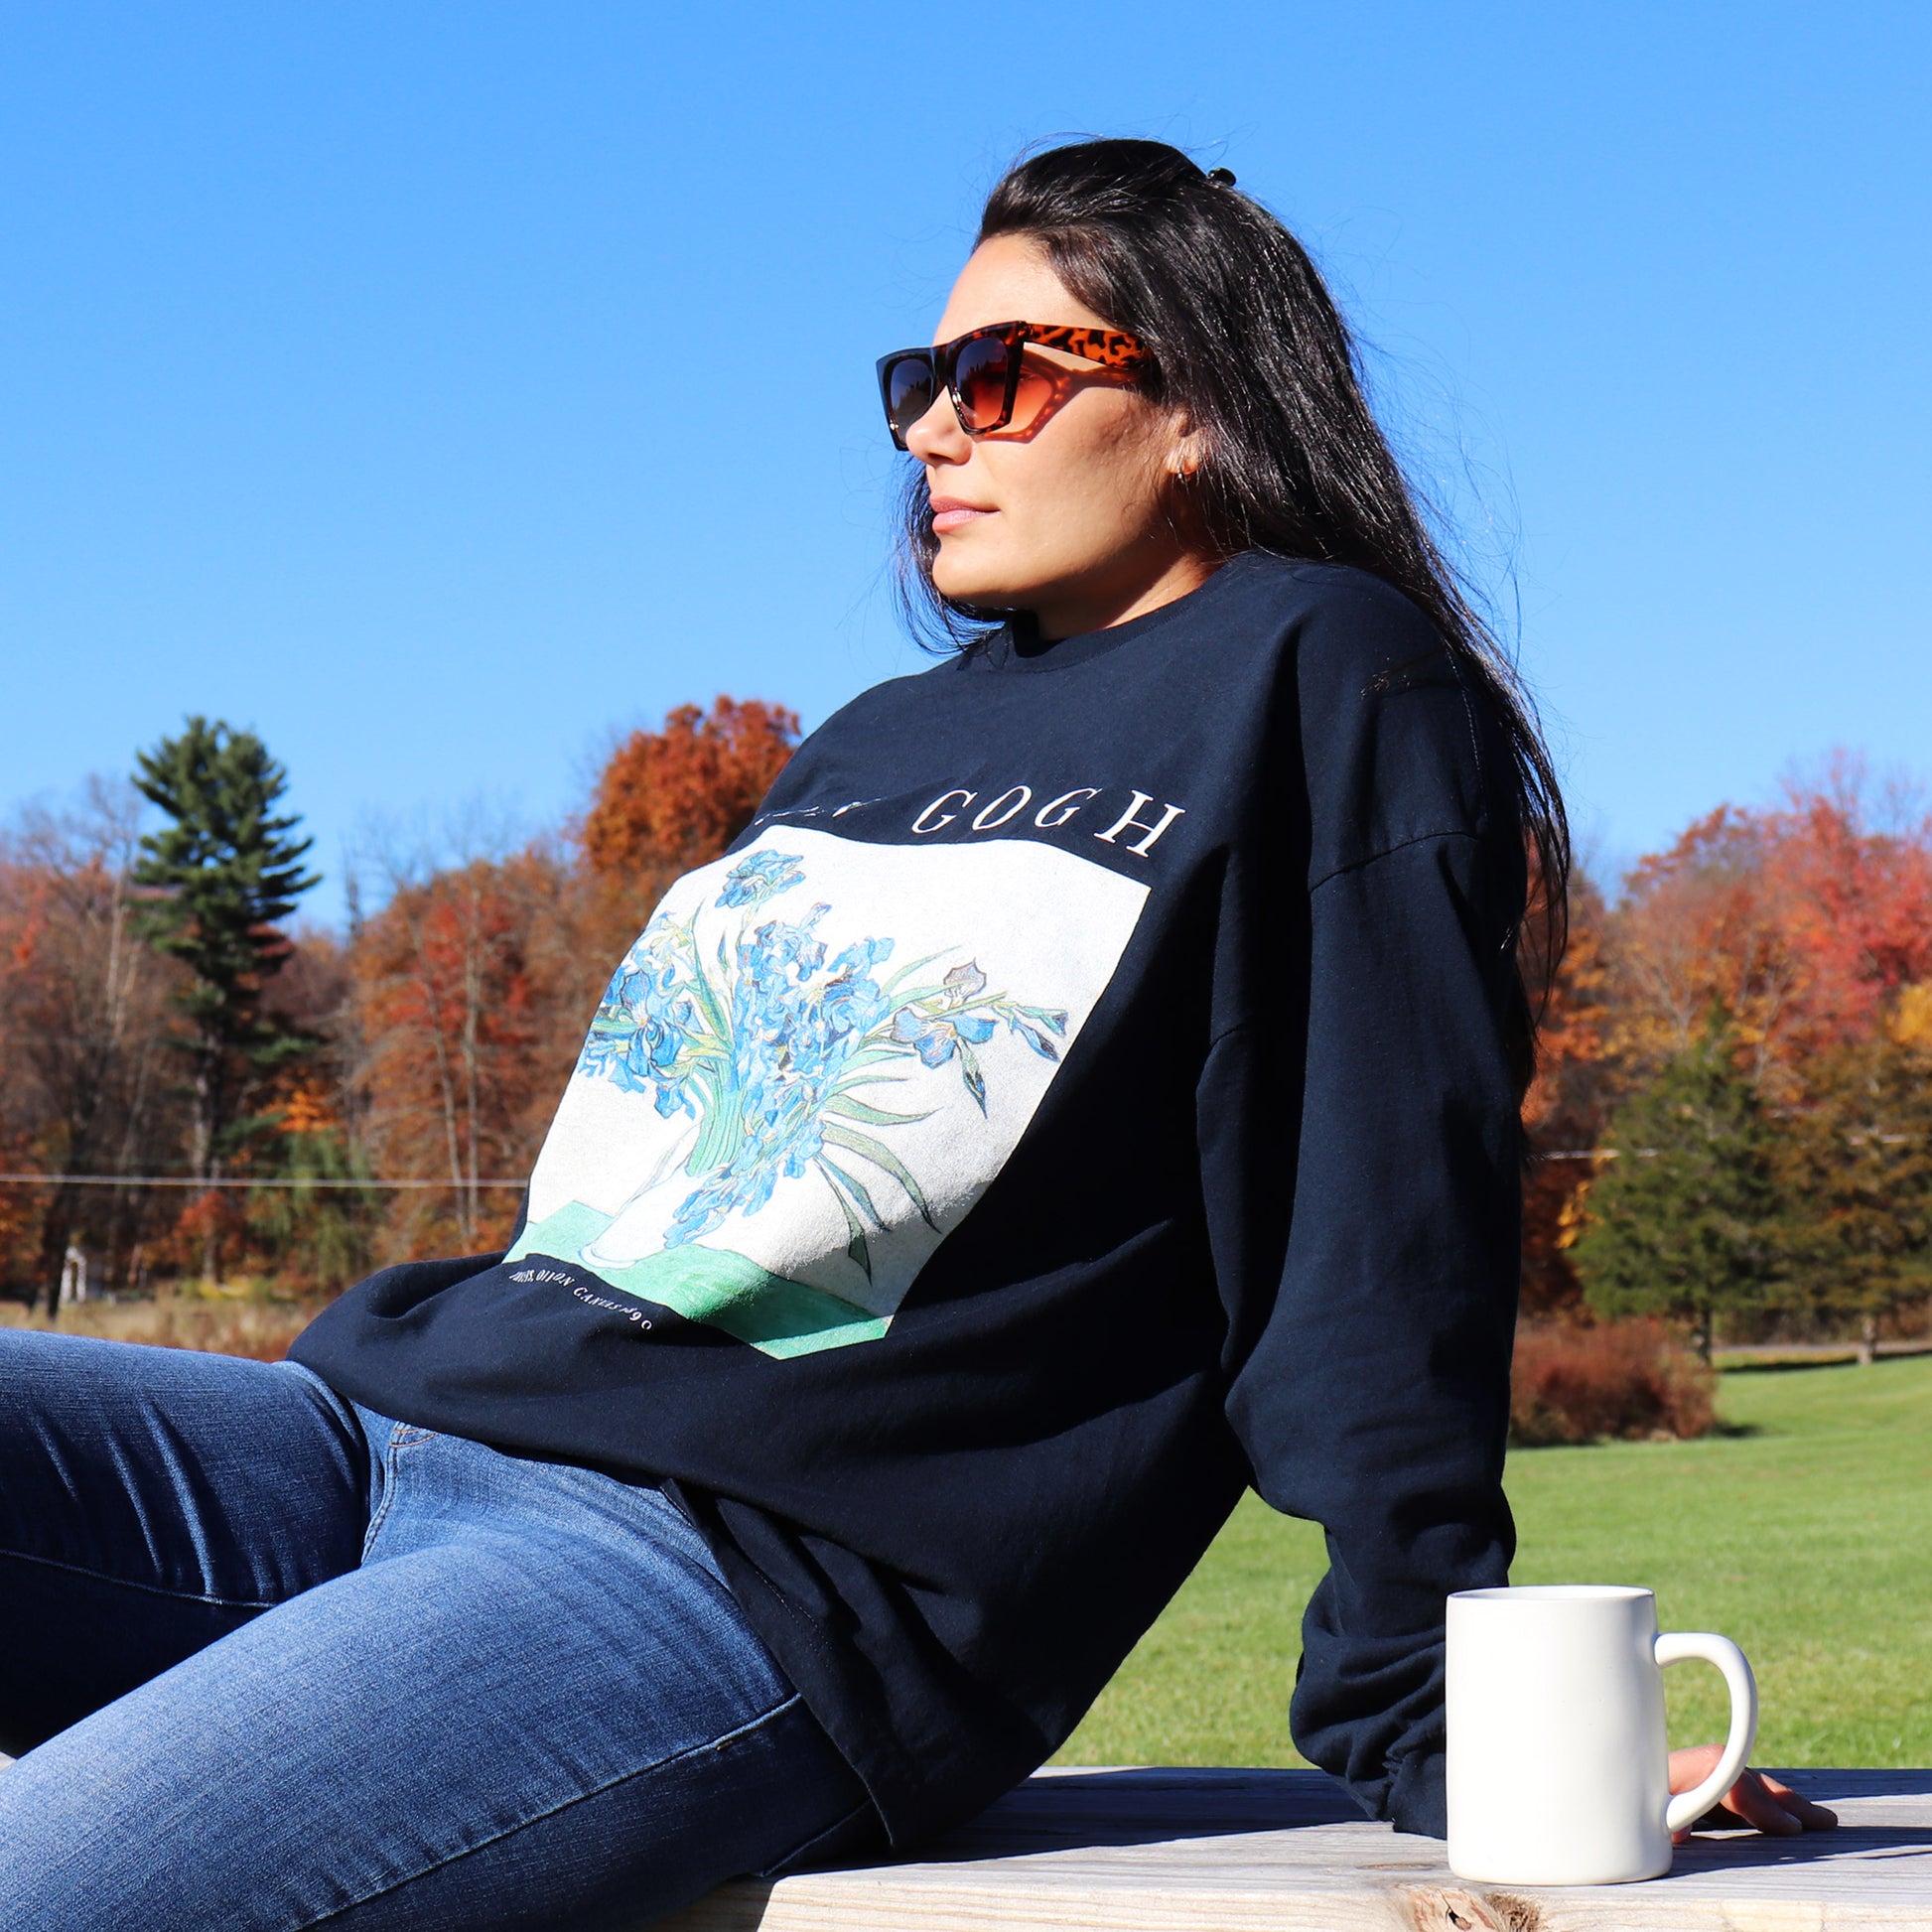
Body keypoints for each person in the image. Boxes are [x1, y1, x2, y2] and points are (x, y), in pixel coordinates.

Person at [0, 138, 1834, 1930]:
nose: (927, 427)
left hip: (725, 1577)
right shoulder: (872, 736)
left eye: (996, 373)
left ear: (1197, 398)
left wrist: (1438, 1693)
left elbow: (1375, 1220)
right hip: (362, 1439)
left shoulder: (1322, 670)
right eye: (915, 381)